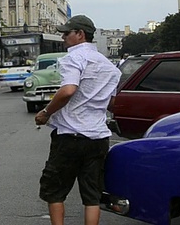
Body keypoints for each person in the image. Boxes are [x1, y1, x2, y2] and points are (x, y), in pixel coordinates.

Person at [34, 15, 120, 225]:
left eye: (66, 33)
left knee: (54, 191)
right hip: (98, 138)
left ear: (80, 34)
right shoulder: (110, 67)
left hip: (70, 137)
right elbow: (112, 104)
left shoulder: (73, 58)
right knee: (92, 194)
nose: (63, 37)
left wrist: (46, 112)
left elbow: (68, 90)